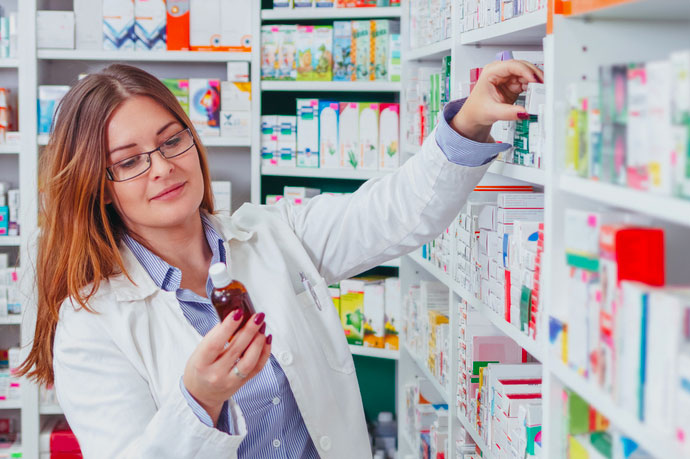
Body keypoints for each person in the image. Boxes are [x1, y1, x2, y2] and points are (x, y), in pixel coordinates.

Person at [17, 60, 543, 458]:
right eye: (129, 161)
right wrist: (198, 401)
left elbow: (395, 212)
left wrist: (469, 122)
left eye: (171, 140)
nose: (161, 168)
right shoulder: (91, 325)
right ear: (99, 188)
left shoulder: (275, 234)